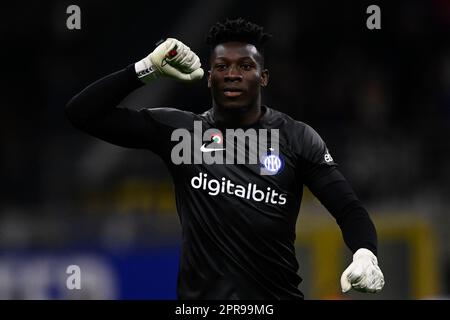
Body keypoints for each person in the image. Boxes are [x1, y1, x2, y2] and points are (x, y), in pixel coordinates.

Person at [66, 18, 384, 299]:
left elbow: (348, 209)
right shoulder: (181, 133)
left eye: (245, 66)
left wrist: (365, 253)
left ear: (264, 77)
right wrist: (146, 69)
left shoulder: (296, 138)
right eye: (222, 67)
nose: (232, 74)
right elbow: (82, 113)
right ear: (208, 78)